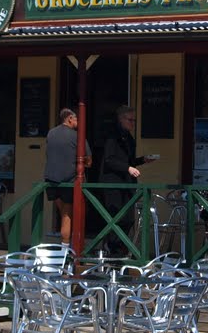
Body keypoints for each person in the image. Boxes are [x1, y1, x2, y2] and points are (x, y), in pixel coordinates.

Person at [99, 105, 154, 256]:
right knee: (115, 217)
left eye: (134, 120)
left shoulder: (129, 138)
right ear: (121, 119)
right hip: (113, 184)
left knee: (129, 219)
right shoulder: (112, 136)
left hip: (127, 183)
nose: (133, 123)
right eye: (130, 120)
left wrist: (142, 160)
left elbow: (129, 161)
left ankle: (119, 247)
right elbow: (110, 160)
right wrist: (128, 168)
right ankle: (111, 249)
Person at [43, 108, 91, 249]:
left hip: (51, 179)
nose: (78, 123)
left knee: (63, 212)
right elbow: (89, 161)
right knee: (67, 214)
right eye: (76, 119)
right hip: (68, 181)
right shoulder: (77, 136)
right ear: (70, 118)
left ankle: (68, 244)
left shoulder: (51, 133)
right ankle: (65, 248)